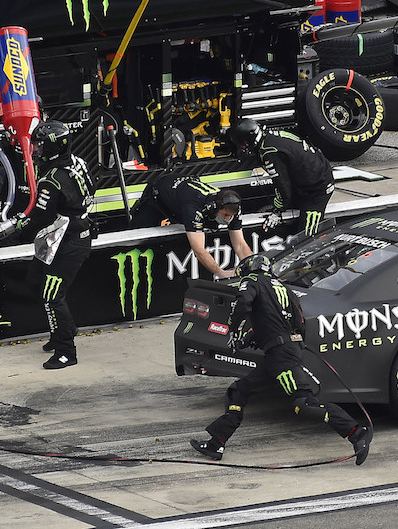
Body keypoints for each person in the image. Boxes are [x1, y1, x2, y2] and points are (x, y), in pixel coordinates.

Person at [189, 254, 371, 465]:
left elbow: (242, 304)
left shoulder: (252, 280)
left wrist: (233, 330)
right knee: (238, 391)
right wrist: (255, 338)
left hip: (281, 356)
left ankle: (356, 432)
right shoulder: (285, 289)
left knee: (304, 404)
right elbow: (297, 323)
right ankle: (217, 442)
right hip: (281, 353)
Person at [0, 121, 94, 369]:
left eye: (40, 146)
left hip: (69, 243)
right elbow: (90, 190)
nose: (35, 150)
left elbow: (41, 218)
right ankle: (63, 330)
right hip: (59, 238)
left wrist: (18, 226)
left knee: (52, 296)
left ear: (53, 147)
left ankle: (66, 352)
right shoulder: (79, 162)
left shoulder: (51, 180)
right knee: (34, 280)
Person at [227, 119, 334, 238]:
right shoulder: (270, 135)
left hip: (317, 189)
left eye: (243, 144)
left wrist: (277, 212)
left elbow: (282, 186)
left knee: (307, 237)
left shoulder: (269, 152)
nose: (243, 148)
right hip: (313, 170)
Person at [129, 174, 251, 278]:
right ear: (215, 208)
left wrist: (253, 268)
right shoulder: (195, 208)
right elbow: (198, 249)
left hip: (182, 192)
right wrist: (220, 273)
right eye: (225, 215)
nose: (228, 219)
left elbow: (240, 244)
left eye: (231, 216)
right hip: (158, 195)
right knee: (137, 235)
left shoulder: (233, 208)